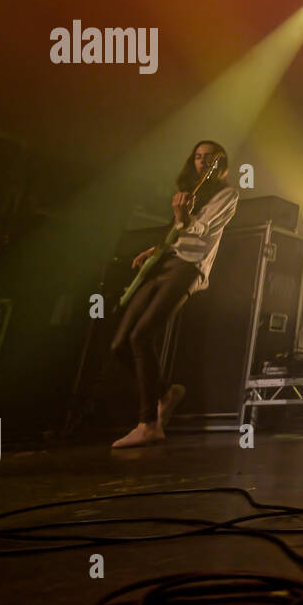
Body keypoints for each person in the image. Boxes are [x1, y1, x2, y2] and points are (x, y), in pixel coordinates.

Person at [109, 140, 239, 449]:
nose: (203, 162)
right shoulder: (191, 193)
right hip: (164, 264)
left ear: (222, 164)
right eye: (198, 157)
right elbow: (176, 234)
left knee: (142, 336)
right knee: (119, 344)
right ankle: (167, 392)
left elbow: (202, 230)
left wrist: (183, 217)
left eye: (210, 157)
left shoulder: (228, 195)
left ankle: (148, 424)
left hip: (188, 268)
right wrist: (154, 251)